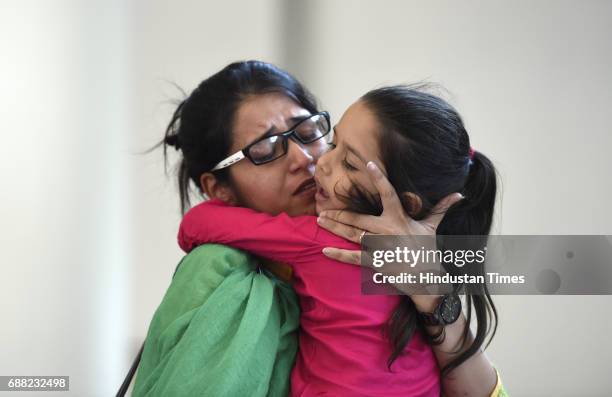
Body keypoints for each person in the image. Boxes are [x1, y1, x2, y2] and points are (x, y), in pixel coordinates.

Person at [132, 61, 506, 396]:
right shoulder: (223, 271)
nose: (307, 159)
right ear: (219, 189)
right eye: (264, 149)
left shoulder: (417, 245)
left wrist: (436, 298)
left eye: (308, 130)